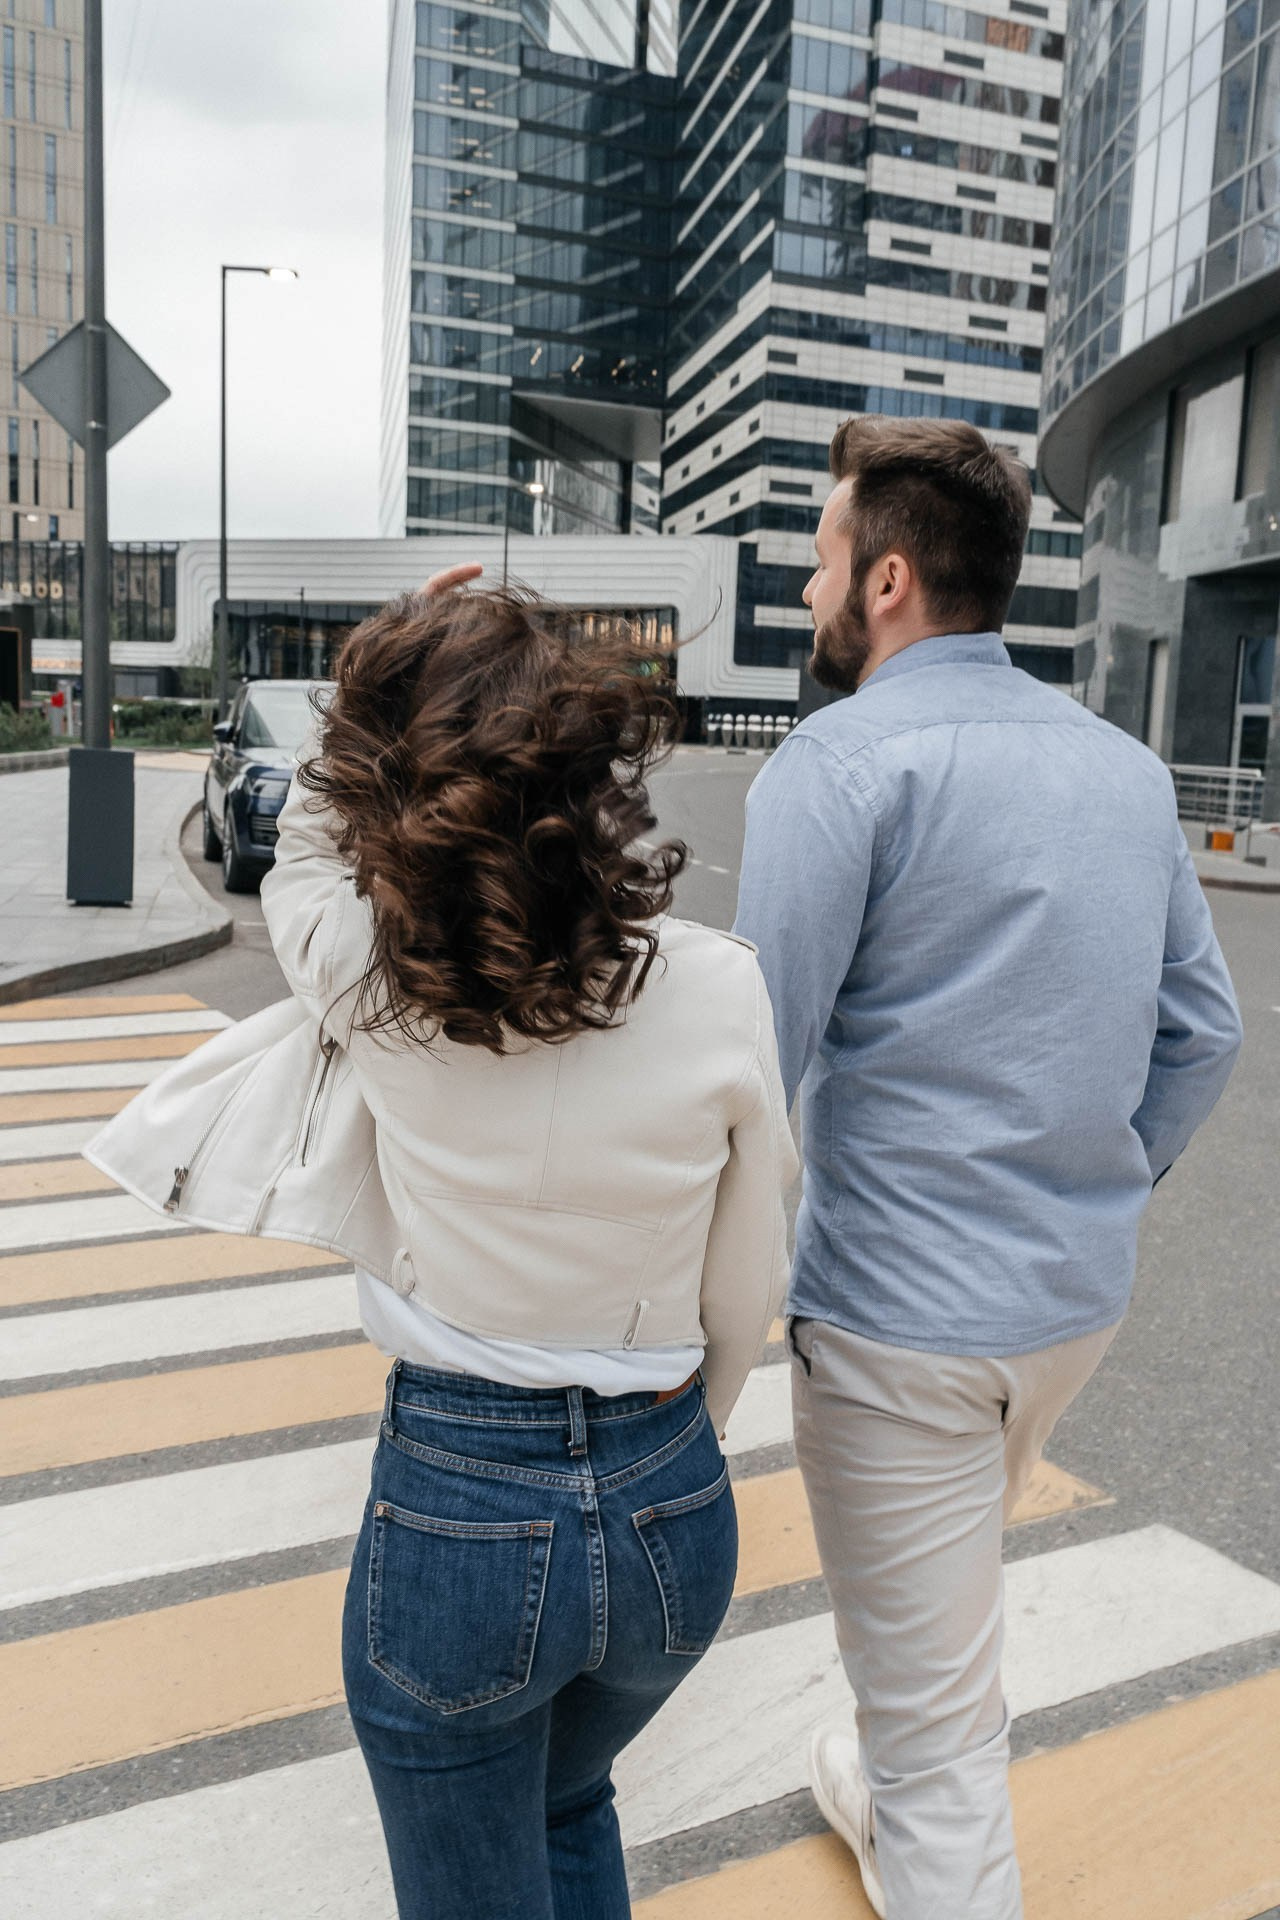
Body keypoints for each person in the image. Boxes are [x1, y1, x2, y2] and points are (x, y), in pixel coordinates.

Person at [732, 417, 1242, 1920]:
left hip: (904, 1334)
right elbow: (1202, 1036)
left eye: (825, 559)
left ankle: (914, 1808)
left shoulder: (834, 768)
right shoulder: (1124, 771)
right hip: (1068, 1311)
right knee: (929, 1648)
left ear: (888, 580)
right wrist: (1089, 1180)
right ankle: (880, 1788)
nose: (811, 590)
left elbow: (754, 1067)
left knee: (948, 1747)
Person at [257, 569, 797, 1920]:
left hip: (460, 1511)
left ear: (400, 780)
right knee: (569, 1800)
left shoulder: (374, 977)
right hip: (675, 1504)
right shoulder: (720, 986)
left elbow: (303, 853)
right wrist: (676, 1440)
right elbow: (753, 1282)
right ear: (593, 775)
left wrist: (376, 689)